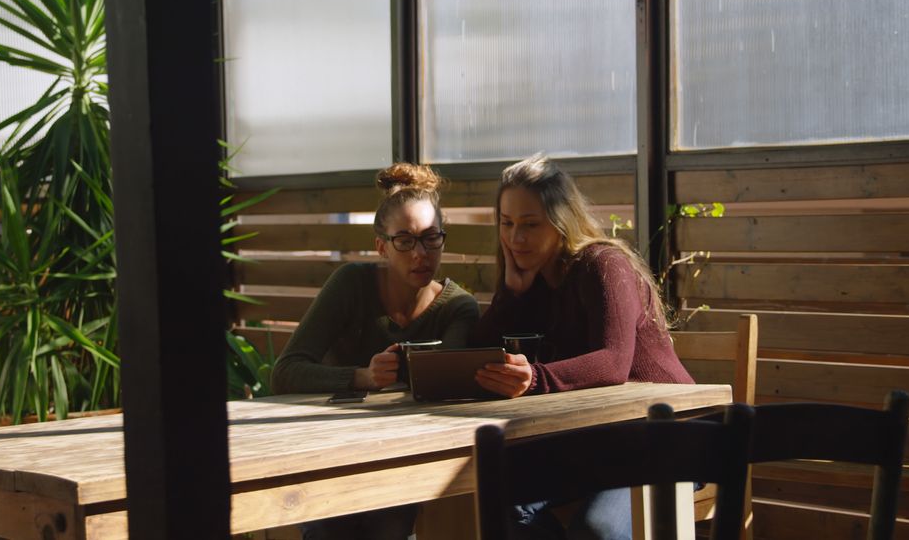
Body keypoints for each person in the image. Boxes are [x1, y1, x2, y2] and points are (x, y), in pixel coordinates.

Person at [470, 152, 693, 540]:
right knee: (491, 501)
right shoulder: (534, 283)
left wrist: (535, 378)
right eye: (506, 224)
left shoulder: (603, 264)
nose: (515, 238)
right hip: (594, 442)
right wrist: (511, 294)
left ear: (561, 222)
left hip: (666, 437)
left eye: (530, 224)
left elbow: (613, 363)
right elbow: (477, 353)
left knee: (595, 531)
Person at [271, 162, 480, 540]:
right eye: (405, 241)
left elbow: (444, 385)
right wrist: (361, 377)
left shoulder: (457, 306)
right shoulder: (351, 284)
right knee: (330, 530)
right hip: (335, 449)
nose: (420, 254)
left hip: (409, 455)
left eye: (431, 238)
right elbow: (286, 371)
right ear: (381, 247)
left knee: (389, 522)